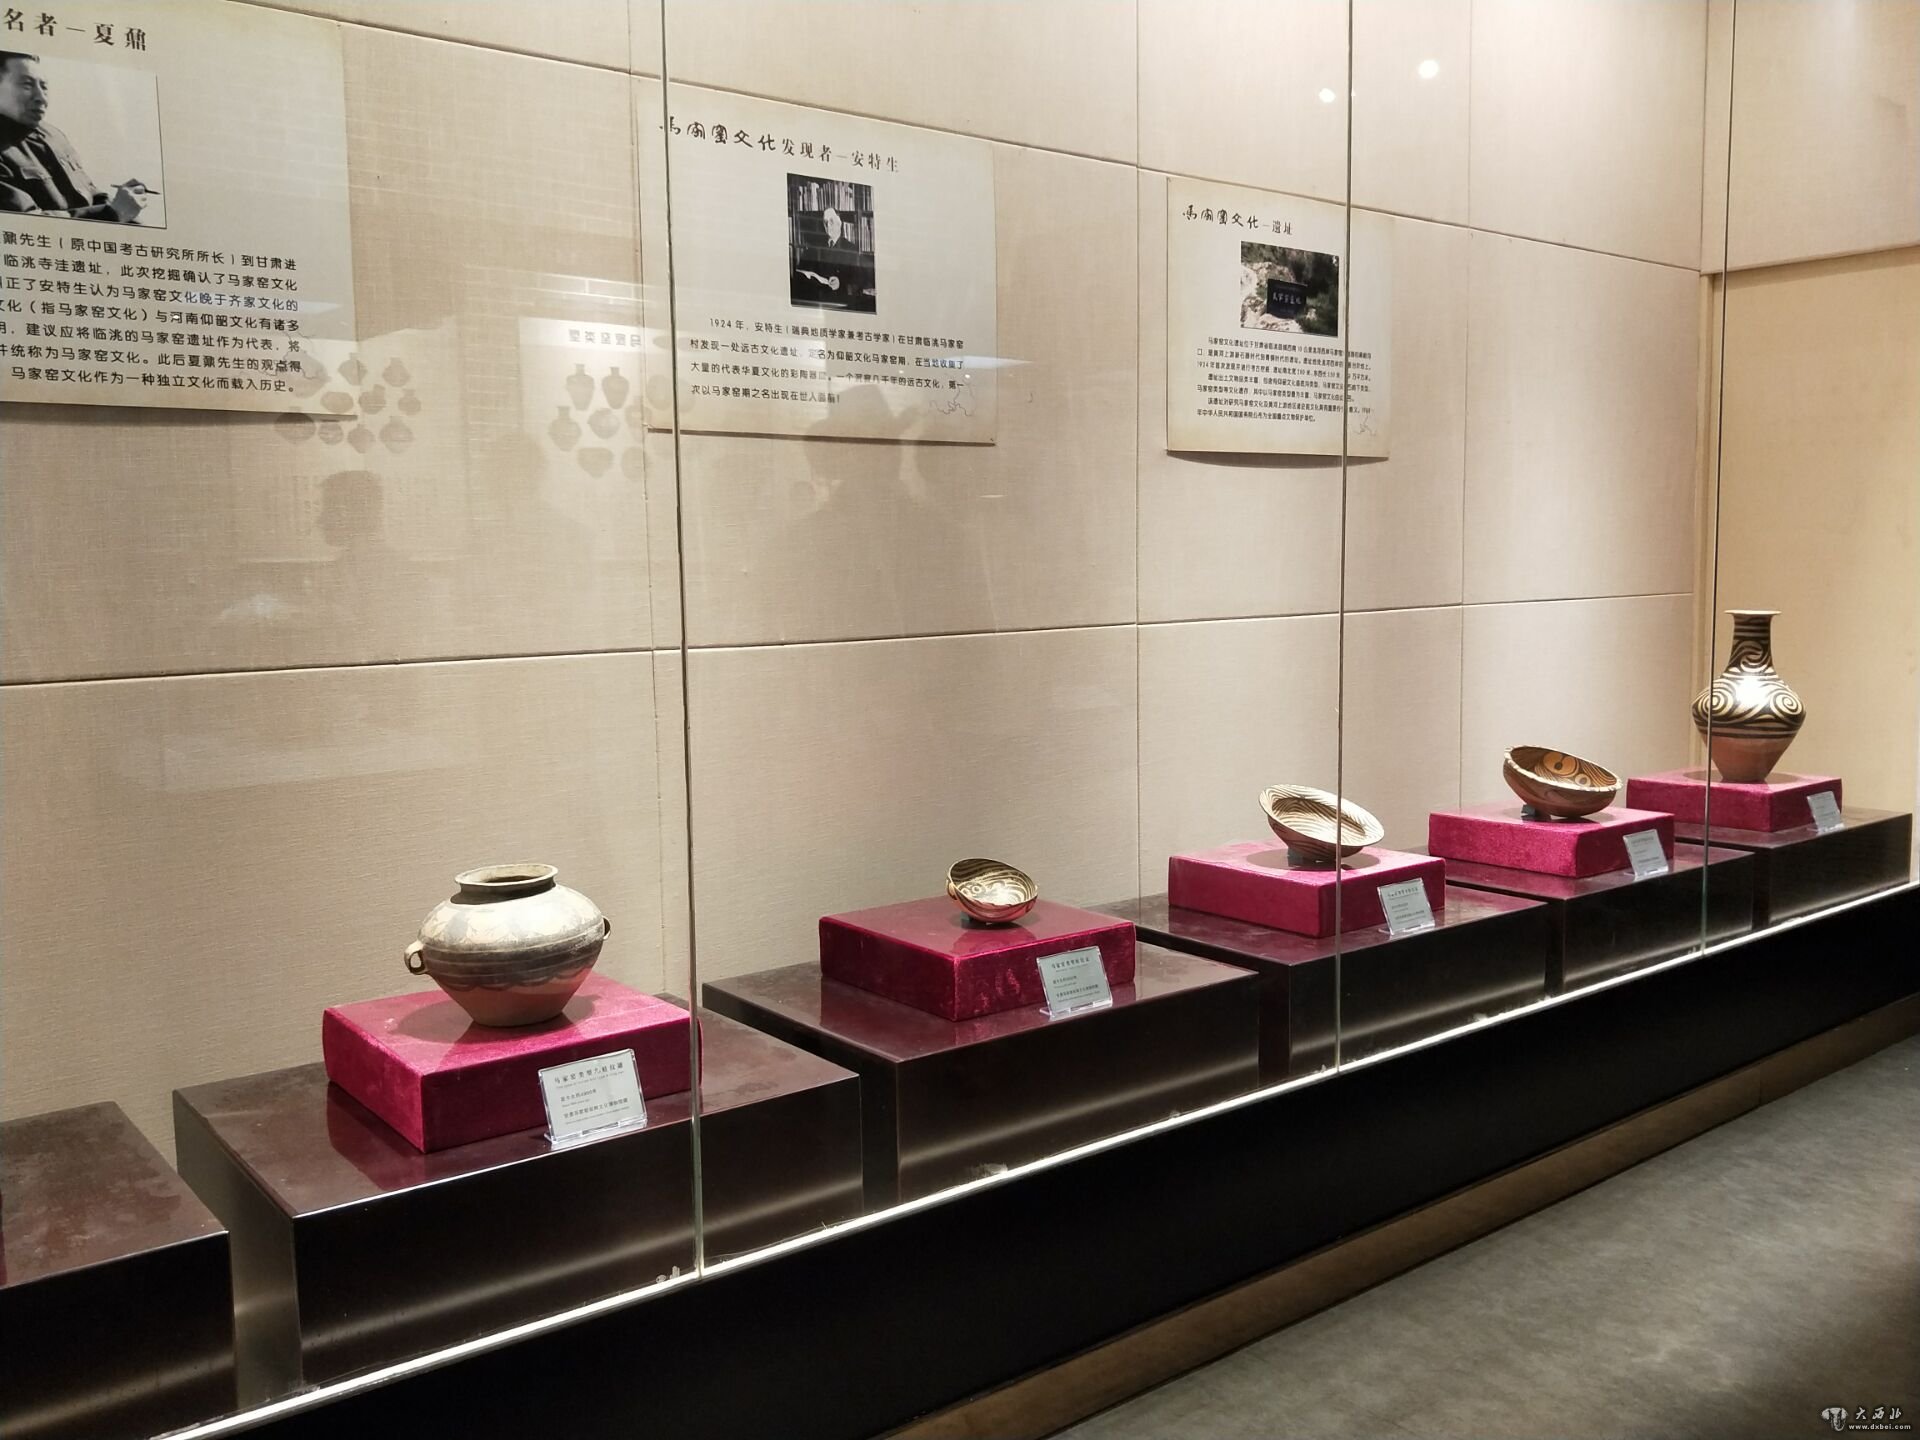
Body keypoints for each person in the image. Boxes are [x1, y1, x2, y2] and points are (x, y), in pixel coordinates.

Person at [0, 51, 154, 222]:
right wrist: (113, 214)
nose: (41, 98)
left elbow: (90, 194)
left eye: (44, 86)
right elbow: (26, 223)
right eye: (27, 85)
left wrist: (124, 208)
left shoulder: (53, 135)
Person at [790, 204, 875, 312]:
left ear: (839, 223)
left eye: (831, 221)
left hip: (841, 301)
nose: (828, 225)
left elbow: (859, 279)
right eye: (825, 222)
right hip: (818, 300)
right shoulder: (816, 246)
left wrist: (840, 282)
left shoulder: (851, 248)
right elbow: (802, 269)